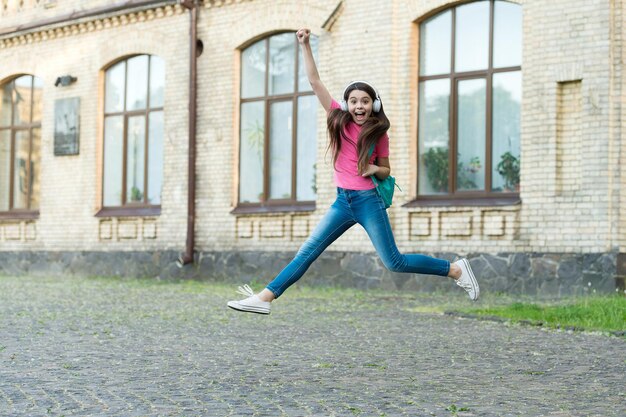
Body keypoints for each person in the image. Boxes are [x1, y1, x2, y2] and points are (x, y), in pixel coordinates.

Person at [227, 28, 479, 315]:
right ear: (347, 104)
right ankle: (264, 298)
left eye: (366, 101)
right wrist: (306, 44)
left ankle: (456, 270)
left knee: (394, 262)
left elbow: (385, 171)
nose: (360, 105)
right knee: (307, 252)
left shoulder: (379, 133)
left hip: (368, 201)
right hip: (342, 202)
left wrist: (370, 167)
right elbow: (314, 80)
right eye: (355, 101)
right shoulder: (338, 119)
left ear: (374, 105)